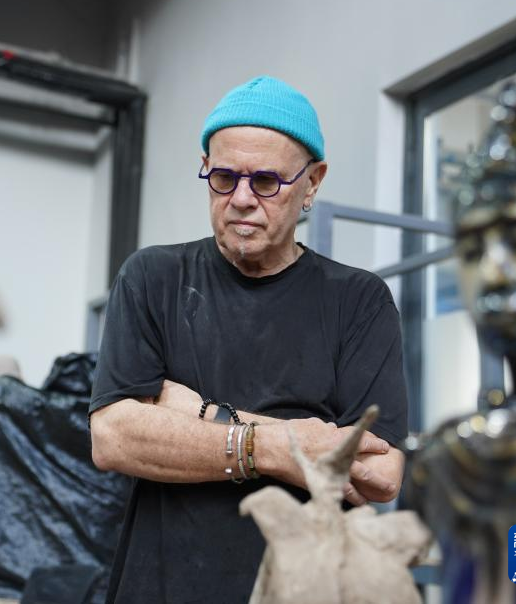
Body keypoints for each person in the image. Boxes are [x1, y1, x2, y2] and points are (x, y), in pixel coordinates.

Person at [88, 76, 409, 602]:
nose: (240, 199)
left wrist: (204, 414)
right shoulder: (152, 278)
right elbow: (113, 437)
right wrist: (279, 447)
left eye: (265, 181)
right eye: (223, 177)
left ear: (312, 182)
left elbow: (378, 472)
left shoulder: (359, 301)